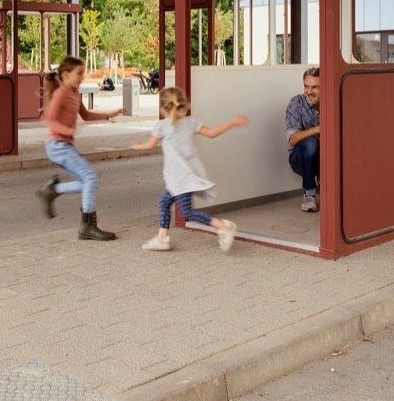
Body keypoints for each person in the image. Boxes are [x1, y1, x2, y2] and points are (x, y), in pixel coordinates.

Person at [130, 86, 246, 253]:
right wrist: (231, 123)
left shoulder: (161, 126)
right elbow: (212, 133)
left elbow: (149, 145)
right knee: (164, 202)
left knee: (187, 213)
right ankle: (162, 238)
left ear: (163, 109)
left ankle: (223, 226)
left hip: (180, 178)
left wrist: (136, 146)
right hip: (183, 176)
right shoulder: (191, 122)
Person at [36, 56, 122, 241]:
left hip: (64, 146)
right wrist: (67, 129)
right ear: (66, 75)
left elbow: (86, 115)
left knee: (88, 182)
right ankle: (87, 227)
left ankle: (53, 190)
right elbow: (48, 119)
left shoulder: (75, 93)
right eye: (79, 73)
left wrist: (109, 114)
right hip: (57, 145)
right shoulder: (61, 93)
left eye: (83, 73)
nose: (82, 77)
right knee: (90, 178)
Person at [285, 67, 320, 213]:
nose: (309, 91)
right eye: (306, 86)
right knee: (311, 143)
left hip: (325, 157)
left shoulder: (333, 103)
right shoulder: (296, 103)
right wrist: (318, 129)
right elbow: (292, 140)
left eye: (314, 87)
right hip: (299, 158)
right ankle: (310, 196)